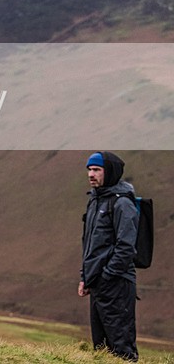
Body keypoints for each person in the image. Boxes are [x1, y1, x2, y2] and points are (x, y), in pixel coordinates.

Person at [78, 151, 139, 362]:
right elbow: (89, 244)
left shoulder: (122, 204)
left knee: (121, 347)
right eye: (89, 170)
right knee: (101, 348)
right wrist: (85, 277)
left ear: (109, 172)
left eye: (96, 170)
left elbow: (126, 247)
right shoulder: (95, 201)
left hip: (117, 285)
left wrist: (107, 276)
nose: (91, 174)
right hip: (98, 284)